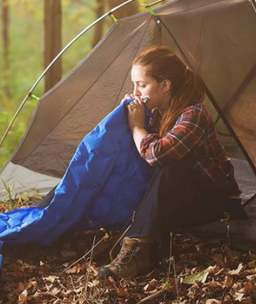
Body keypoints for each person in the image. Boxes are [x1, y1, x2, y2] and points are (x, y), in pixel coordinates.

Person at [98, 45, 245, 280]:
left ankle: (141, 251)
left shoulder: (194, 114)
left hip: (217, 206)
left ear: (165, 85)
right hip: (184, 201)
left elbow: (156, 154)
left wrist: (137, 126)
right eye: (134, 84)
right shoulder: (157, 112)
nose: (135, 91)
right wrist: (133, 117)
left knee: (172, 167)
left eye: (141, 84)